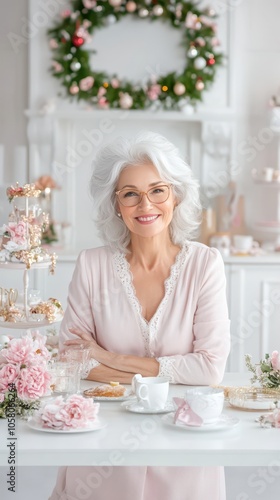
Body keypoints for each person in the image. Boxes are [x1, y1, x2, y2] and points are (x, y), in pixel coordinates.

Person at [49, 131, 230, 500]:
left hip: (184, 443)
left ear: (175, 194)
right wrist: (167, 371)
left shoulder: (205, 264)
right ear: (116, 204)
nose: (145, 204)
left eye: (157, 190)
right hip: (102, 445)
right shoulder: (92, 265)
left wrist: (108, 358)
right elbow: (70, 360)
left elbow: (210, 368)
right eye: (130, 193)